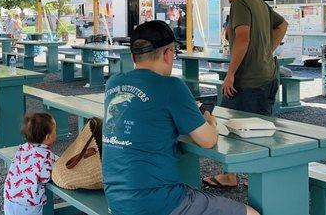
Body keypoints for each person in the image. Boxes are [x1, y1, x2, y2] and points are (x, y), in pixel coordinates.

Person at [102, 20, 259, 215]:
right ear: (168, 54)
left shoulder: (113, 84)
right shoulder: (171, 87)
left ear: (134, 55)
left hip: (116, 200)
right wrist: (210, 121)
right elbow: (208, 140)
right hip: (156, 203)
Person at [203, 0, 288, 189]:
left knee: (231, 126)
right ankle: (266, 178)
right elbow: (282, 25)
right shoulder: (259, 3)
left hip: (247, 79)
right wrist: (267, 50)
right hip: (268, 76)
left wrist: (230, 75)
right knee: (264, 130)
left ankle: (230, 176)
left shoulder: (240, 3)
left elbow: (242, 38)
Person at [3, 113, 57, 215]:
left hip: (9, 197)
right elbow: (45, 178)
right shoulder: (46, 155)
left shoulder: (23, 147)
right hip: (28, 204)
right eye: (55, 131)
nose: (56, 133)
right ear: (48, 137)